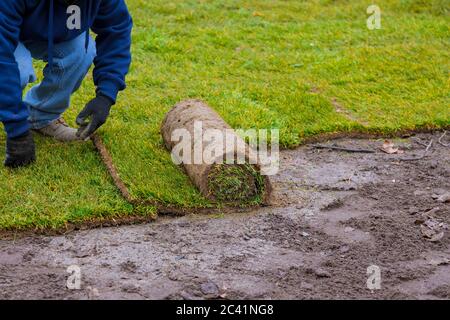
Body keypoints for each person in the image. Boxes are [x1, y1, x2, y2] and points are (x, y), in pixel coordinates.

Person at [0, 0, 132, 168]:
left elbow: (117, 31)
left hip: (33, 27)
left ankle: (40, 117)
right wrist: (16, 130)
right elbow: (2, 58)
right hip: (4, 27)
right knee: (20, 70)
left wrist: (106, 95)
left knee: (81, 51)